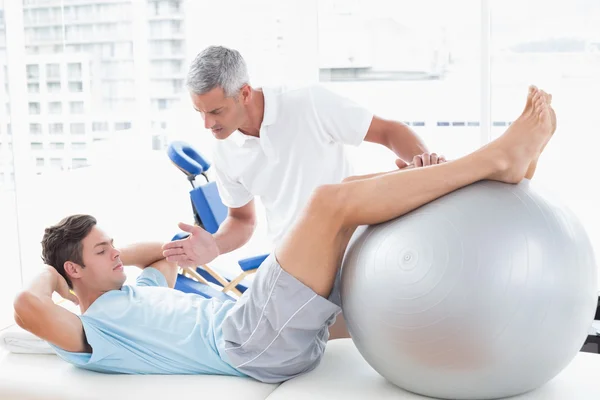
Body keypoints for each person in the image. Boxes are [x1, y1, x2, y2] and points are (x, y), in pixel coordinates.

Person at [14, 87, 554, 382]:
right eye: (102, 251)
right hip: (246, 342)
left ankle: (485, 172)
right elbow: (24, 307)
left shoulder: (138, 293)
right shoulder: (94, 334)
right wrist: (56, 280)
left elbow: (160, 253)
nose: (117, 255)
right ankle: (496, 160)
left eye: (112, 247)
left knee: (351, 188)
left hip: (253, 323)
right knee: (328, 202)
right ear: (74, 270)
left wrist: (104, 261)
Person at [166, 45, 446, 338]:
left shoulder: (308, 103)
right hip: (293, 270)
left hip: (351, 254)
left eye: (216, 111)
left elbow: (389, 131)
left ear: (245, 93)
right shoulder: (224, 151)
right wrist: (215, 245)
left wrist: (426, 172)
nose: (207, 124)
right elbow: (242, 220)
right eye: (199, 112)